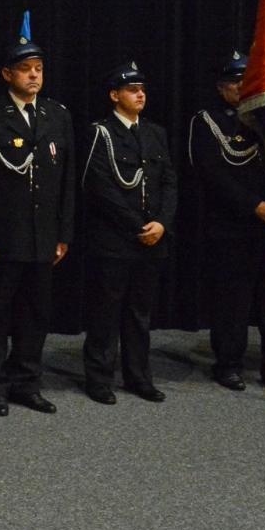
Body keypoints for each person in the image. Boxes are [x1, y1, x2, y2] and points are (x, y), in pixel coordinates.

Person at [0, 15, 75, 416]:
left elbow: (65, 180)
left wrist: (64, 232)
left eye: (39, 69)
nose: (34, 76)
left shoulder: (56, 115)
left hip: (43, 236)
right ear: (7, 73)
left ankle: (26, 380)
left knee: (36, 314)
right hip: (3, 235)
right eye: (26, 69)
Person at [187, 52, 265, 395]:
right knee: (232, 303)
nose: (244, 88)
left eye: (249, 82)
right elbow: (210, 173)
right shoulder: (208, 121)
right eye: (237, 83)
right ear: (222, 88)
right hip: (234, 228)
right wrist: (254, 205)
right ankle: (228, 364)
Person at [80, 63, 176, 404]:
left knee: (140, 314)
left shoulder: (154, 133)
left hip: (153, 239)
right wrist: (137, 226)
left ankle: (138, 376)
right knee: (106, 312)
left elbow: (167, 181)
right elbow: (100, 187)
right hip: (115, 240)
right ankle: (100, 378)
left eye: (142, 90)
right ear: (114, 95)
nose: (140, 94)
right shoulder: (101, 132)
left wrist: (162, 223)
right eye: (132, 90)